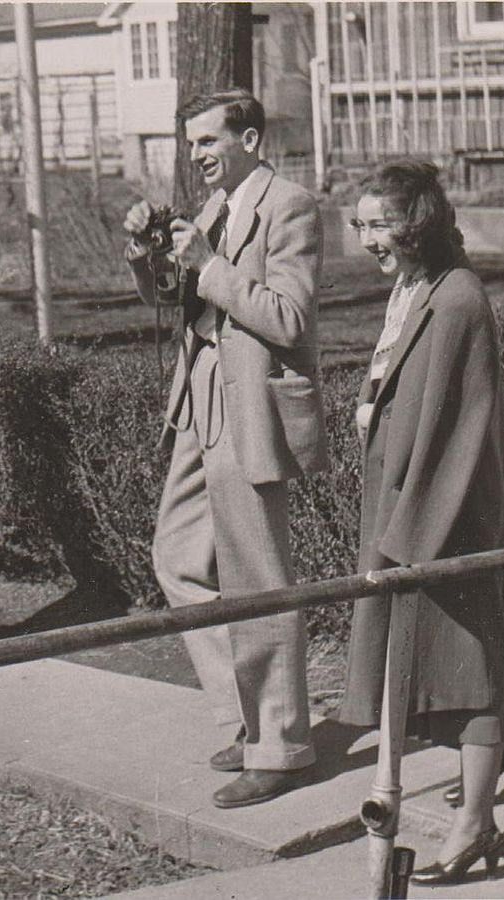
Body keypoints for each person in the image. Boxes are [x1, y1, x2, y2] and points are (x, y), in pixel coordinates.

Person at [123, 88, 329, 809]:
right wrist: (149, 253)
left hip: (251, 406)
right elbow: (174, 298)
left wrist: (210, 265)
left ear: (249, 139)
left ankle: (281, 747)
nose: (197, 156)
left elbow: (290, 317)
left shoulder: (290, 206)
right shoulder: (216, 207)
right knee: (177, 558)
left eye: (208, 141)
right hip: (199, 401)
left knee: (259, 577)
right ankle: (247, 715)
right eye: (190, 145)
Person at [339, 161, 504, 885]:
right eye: (360, 225)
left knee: (467, 665)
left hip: (445, 512)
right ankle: (493, 771)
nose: (367, 240)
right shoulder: (414, 289)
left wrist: (408, 536)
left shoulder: (456, 300)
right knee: (439, 663)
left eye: (379, 225)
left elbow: (456, 427)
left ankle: (475, 825)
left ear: (417, 225)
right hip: (407, 502)